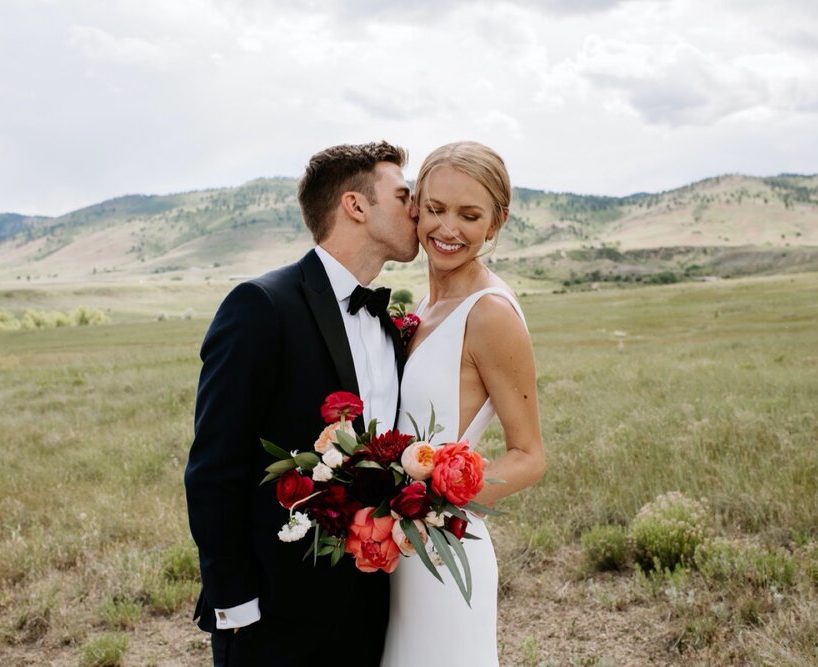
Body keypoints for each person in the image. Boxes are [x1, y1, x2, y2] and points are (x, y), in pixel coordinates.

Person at [184, 141, 419, 667]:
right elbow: (213, 468)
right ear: (356, 206)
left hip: (371, 603)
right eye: (403, 195)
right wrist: (236, 606)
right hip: (274, 613)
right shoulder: (261, 305)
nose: (417, 209)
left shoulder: (388, 319)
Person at [381, 141, 547, 667]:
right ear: (415, 207)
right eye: (435, 209)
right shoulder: (428, 304)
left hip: (443, 553)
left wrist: (438, 501)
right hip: (394, 547)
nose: (447, 229)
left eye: (469, 215)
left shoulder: (490, 312)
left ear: (495, 223)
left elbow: (529, 456)